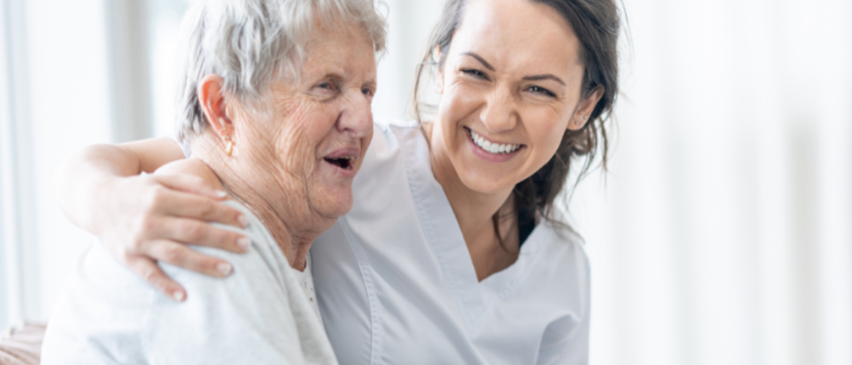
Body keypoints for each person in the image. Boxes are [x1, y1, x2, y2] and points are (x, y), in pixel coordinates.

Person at [55, 0, 621, 363]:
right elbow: (202, 144)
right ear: (442, 63)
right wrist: (107, 202)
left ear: (583, 105)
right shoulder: (336, 165)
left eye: (539, 89)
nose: (498, 116)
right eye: (476, 72)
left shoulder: (564, 272)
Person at [41, 0, 386, 363]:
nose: (364, 122)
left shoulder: (267, 212)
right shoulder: (201, 234)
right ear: (222, 108)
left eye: (366, 90)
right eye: (325, 86)